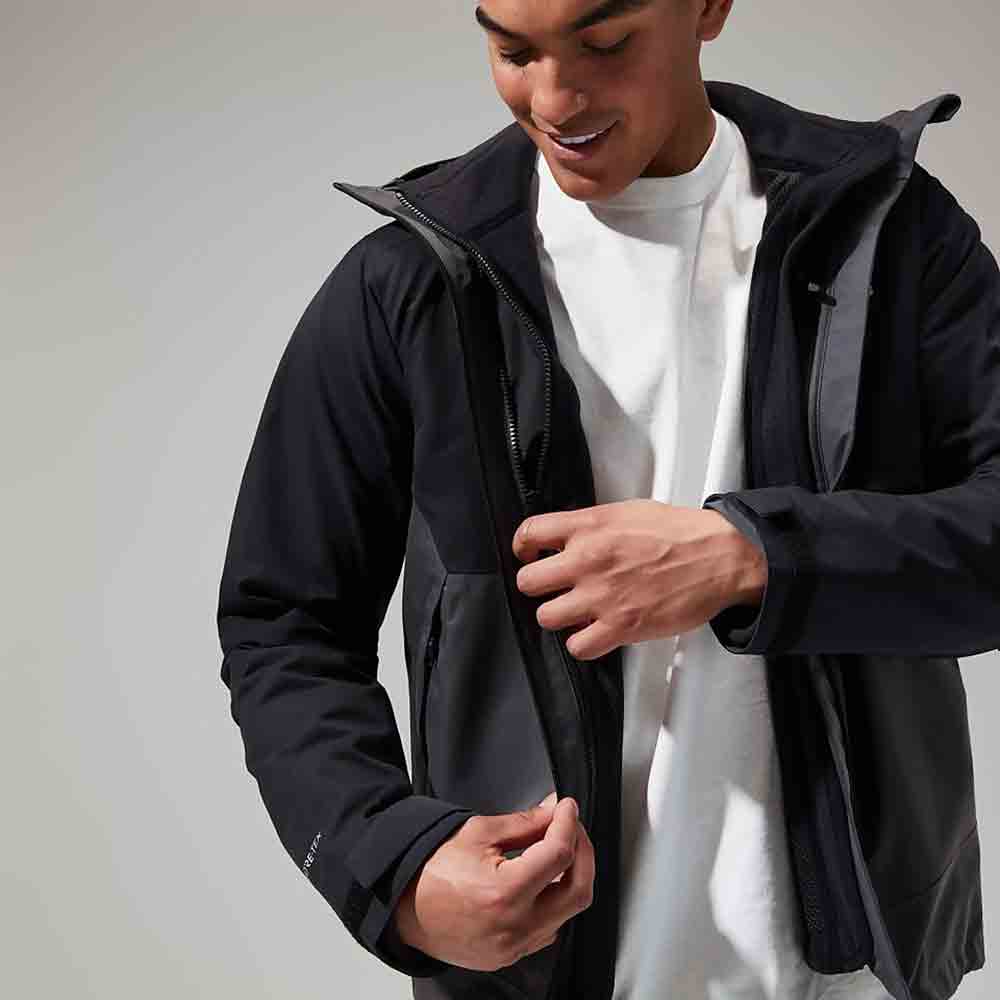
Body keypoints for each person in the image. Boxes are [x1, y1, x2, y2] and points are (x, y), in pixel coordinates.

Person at [216, 1, 996, 998]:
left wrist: (752, 558)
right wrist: (393, 866)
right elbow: (282, 623)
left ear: (707, 7)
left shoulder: (885, 231)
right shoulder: (413, 281)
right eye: (511, 49)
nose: (554, 97)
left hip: (847, 976)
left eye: (604, 43)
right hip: (535, 973)